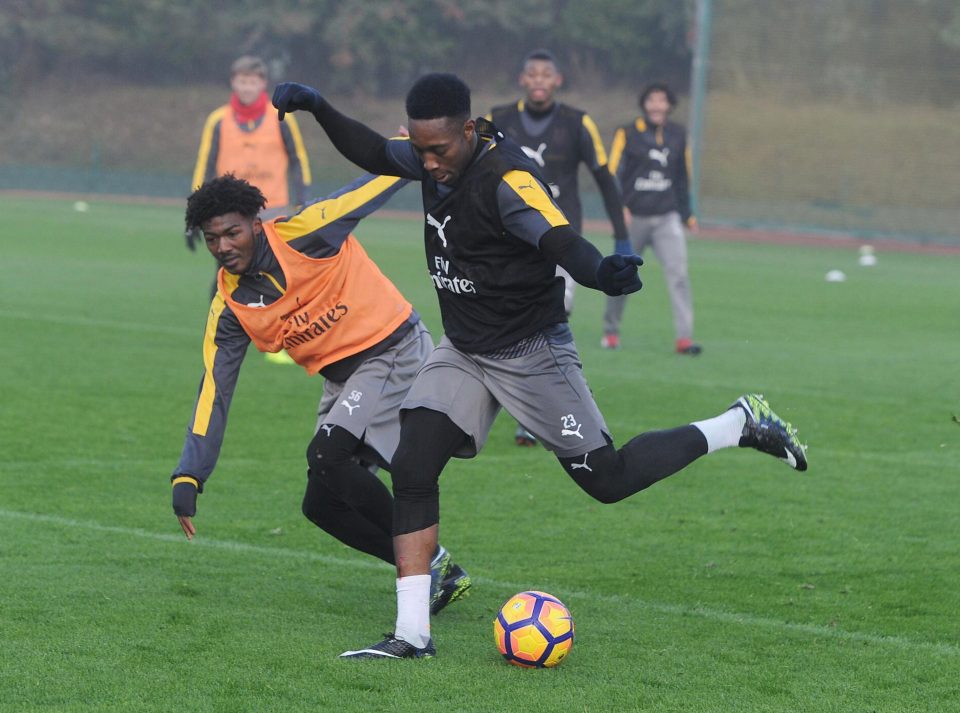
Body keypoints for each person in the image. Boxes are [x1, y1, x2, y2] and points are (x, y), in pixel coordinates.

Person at [272, 73, 808, 660]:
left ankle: (738, 422)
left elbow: (560, 241)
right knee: (412, 466)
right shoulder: (434, 157)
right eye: (420, 151)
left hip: (531, 352)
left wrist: (602, 273)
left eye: (439, 150)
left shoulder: (507, 179)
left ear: (471, 130)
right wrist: (320, 107)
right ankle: (411, 636)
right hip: (464, 350)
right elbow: (374, 150)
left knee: (608, 480)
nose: (428, 163)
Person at [170, 173, 471, 616]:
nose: (223, 246)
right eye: (212, 238)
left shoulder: (304, 234)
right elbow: (214, 387)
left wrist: (410, 153)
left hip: (392, 349)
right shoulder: (230, 304)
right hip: (344, 379)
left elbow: (360, 194)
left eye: (231, 232)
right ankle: (433, 569)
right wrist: (190, 472)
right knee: (321, 504)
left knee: (327, 455)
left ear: (256, 223)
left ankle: (429, 566)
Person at [488, 49, 630, 447]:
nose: (538, 79)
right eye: (531, 73)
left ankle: (534, 413)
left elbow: (604, 177)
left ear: (557, 81)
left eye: (545, 74)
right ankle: (522, 401)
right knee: (507, 319)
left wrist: (621, 235)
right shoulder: (499, 120)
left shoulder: (576, 122)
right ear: (522, 79)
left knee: (552, 315)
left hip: (559, 239)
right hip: (507, 241)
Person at [188, 55, 313, 365]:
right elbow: (205, 163)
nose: (246, 86)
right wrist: (194, 213)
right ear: (234, 82)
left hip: (273, 209)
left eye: (252, 81)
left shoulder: (281, 117)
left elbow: (298, 159)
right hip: (228, 212)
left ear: (262, 84)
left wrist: (303, 202)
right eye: (241, 80)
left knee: (279, 275)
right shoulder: (218, 120)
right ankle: (220, 334)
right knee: (224, 272)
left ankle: (283, 339)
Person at [601, 81, 701, 355]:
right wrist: (619, 207)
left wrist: (687, 214)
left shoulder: (679, 134)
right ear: (644, 104)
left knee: (679, 274)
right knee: (622, 273)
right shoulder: (627, 133)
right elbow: (613, 172)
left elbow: (683, 176)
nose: (657, 105)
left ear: (669, 105)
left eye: (662, 100)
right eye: (652, 100)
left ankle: (684, 339)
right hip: (634, 218)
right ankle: (610, 331)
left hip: (667, 216)